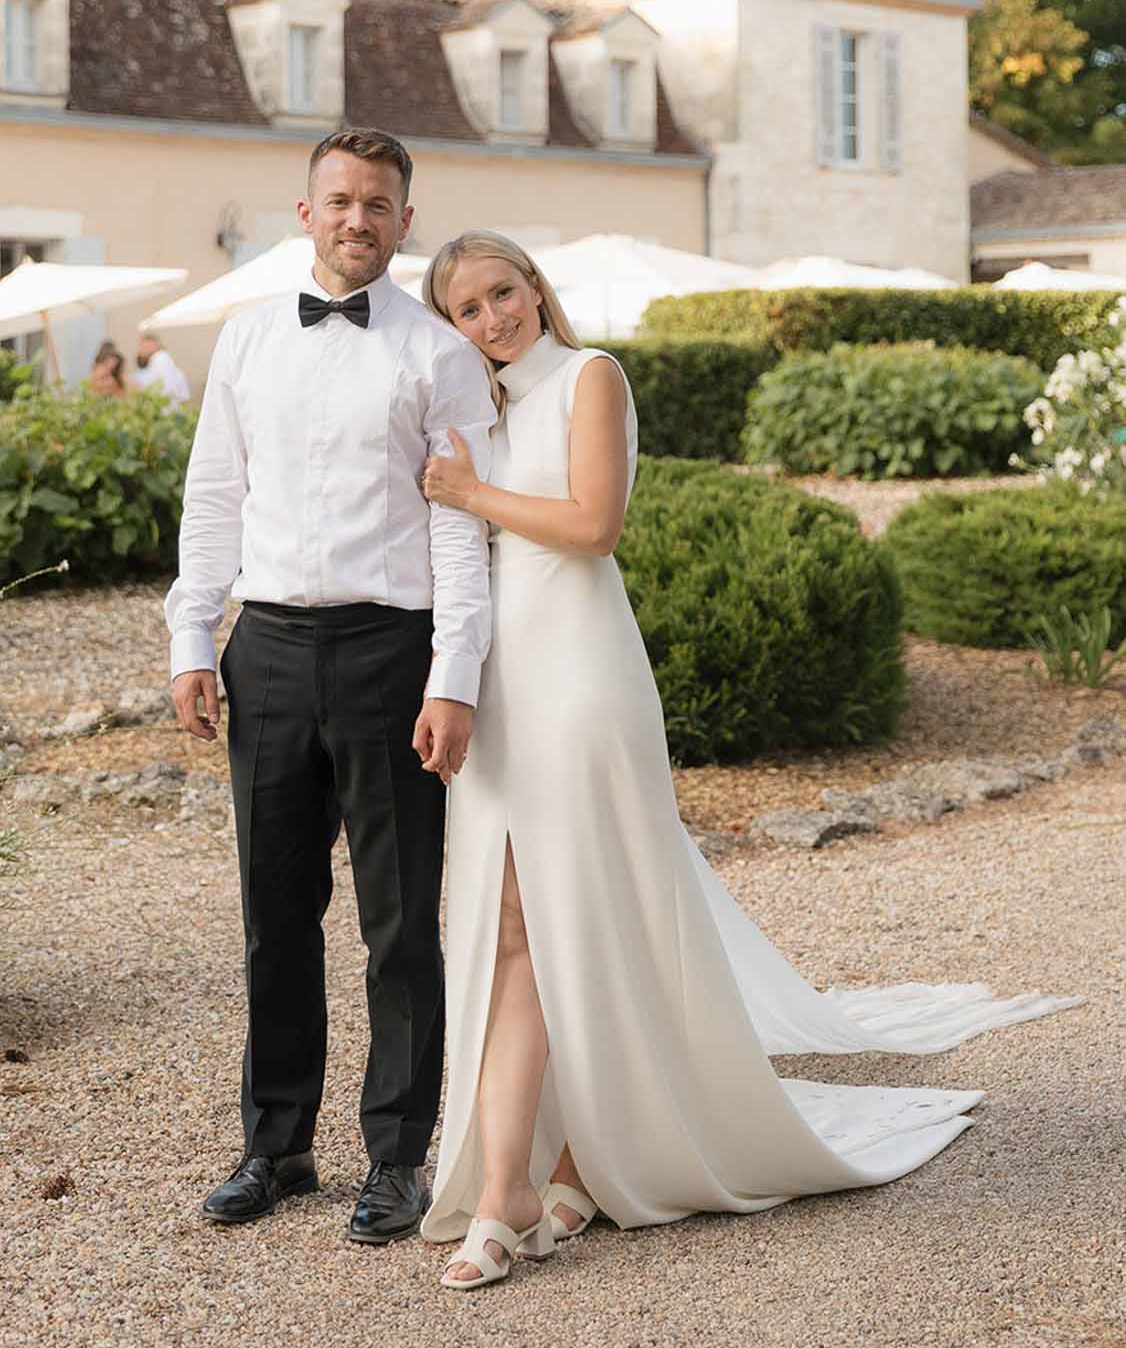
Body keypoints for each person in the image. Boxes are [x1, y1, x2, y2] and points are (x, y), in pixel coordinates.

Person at [418, 231, 1079, 1292]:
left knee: (555, 915)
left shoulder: (591, 375)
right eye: (468, 307)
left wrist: (466, 493)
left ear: (536, 287)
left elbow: (593, 524)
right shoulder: (472, 412)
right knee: (516, 923)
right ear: (447, 325)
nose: (495, 316)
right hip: (501, 681)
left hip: (582, 672)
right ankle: (564, 1161)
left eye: (505, 290)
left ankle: (513, 1192)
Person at [166, 129, 495, 1246]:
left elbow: (462, 531)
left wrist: (454, 676)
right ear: (303, 211)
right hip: (263, 650)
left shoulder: (438, 353)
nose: (359, 219)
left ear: (406, 221)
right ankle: (277, 1142)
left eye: (380, 204)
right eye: (340, 199)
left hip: (388, 652)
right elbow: (214, 495)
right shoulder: (249, 338)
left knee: (400, 921)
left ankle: (397, 1155)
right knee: (274, 913)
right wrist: (189, 638)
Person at [134, 331, 191, 404]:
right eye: (141, 346)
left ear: (156, 346)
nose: (141, 350)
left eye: (146, 346)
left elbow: (165, 389)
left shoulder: (160, 358)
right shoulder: (155, 361)